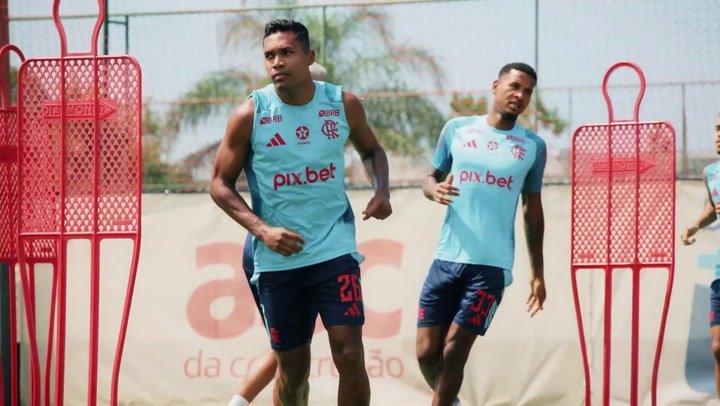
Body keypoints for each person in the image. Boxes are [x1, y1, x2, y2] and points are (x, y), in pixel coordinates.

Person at [210, 19, 391, 406]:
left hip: (334, 250)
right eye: (270, 55)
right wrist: (263, 231)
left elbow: (372, 150)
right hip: (279, 260)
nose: (277, 62)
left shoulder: (342, 104)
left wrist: (381, 190)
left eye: (286, 53)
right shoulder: (250, 114)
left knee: (350, 354)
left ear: (309, 57)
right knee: (293, 371)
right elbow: (220, 184)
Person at [415, 62, 547, 406]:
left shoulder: (533, 146)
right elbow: (429, 178)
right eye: (514, 86)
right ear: (495, 86)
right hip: (446, 259)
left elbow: (532, 212)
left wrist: (538, 273)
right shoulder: (457, 129)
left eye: (528, 91)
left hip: (491, 267)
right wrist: (434, 190)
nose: (520, 95)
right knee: (427, 353)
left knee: (455, 348)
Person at [226, 62, 330, 406]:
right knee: (290, 350)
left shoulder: (322, 127)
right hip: (272, 251)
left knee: (290, 348)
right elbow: (220, 183)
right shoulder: (269, 123)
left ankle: (237, 403)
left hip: (309, 249)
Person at [681, 113, 720, 398]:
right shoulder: (711, 172)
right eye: (717, 129)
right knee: (718, 347)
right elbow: (713, 208)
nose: (718, 135)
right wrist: (694, 225)